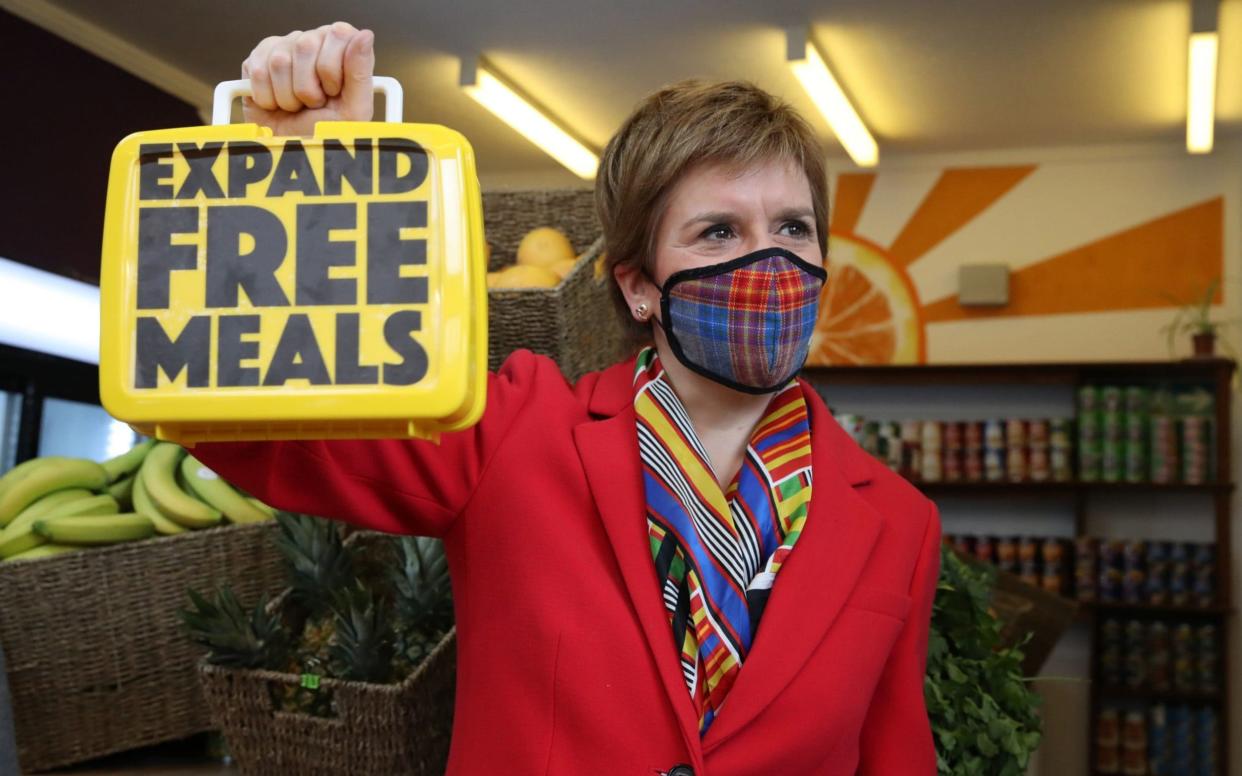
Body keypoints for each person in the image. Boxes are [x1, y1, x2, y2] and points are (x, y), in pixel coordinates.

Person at [193, 21, 942, 776]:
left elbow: (894, 758)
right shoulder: (513, 432)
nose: (766, 260)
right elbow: (260, 430)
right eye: (718, 231)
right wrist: (298, 184)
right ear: (639, 285)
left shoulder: (900, 525)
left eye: (792, 227)